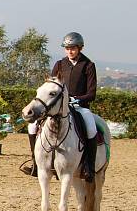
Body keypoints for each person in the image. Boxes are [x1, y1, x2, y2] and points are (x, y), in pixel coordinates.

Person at [21, 31, 98, 181]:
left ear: (80, 48)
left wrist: (76, 99)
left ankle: (89, 166)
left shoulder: (88, 65)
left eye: (73, 48)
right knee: (32, 126)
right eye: (67, 48)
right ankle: (36, 164)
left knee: (91, 127)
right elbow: (52, 87)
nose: (70, 51)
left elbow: (92, 93)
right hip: (58, 107)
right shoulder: (60, 64)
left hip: (79, 106)